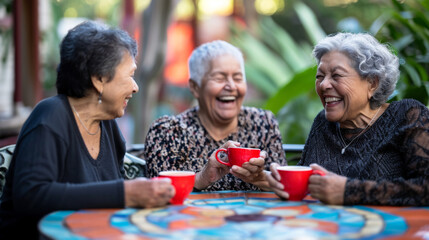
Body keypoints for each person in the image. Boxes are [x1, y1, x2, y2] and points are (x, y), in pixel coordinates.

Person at [0, 21, 174, 239]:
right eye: (130, 75)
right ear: (99, 79)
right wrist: (125, 193)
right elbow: (31, 195)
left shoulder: (107, 123)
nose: (135, 87)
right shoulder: (50, 117)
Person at [267, 32, 429, 206]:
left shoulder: (407, 115)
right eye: (319, 76)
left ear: (372, 83)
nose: (323, 85)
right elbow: (306, 179)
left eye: (336, 76)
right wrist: (266, 179)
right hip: (328, 229)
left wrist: (348, 191)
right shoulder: (323, 123)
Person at [142, 40, 286, 191]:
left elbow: (284, 186)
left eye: (237, 78)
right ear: (195, 87)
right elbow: (159, 192)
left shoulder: (263, 123)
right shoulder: (168, 131)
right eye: (219, 78)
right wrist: (201, 178)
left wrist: (260, 178)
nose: (231, 86)